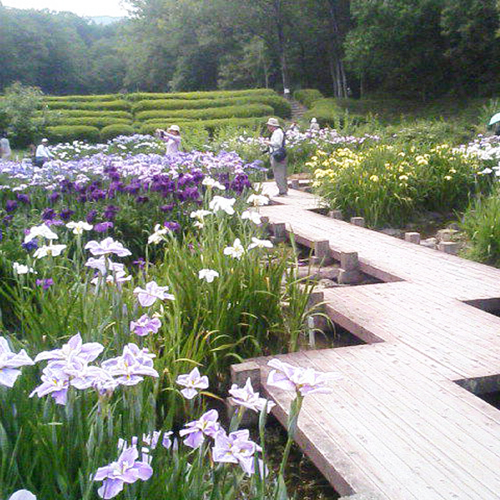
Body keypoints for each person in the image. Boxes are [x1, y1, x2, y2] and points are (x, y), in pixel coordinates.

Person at [265, 117, 288, 196]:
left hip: (277, 154)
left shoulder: (277, 132)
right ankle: (284, 190)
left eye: (269, 126)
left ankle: (282, 191)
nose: (268, 128)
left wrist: (268, 143)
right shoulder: (278, 132)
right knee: (282, 172)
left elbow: (277, 143)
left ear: (273, 126)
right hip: (279, 154)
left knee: (278, 173)